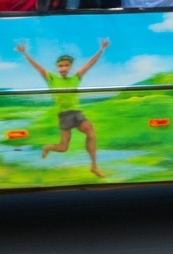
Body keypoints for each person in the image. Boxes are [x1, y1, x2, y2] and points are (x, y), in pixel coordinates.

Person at [18, 40, 110, 178]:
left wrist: (101, 49)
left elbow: (89, 64)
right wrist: (24, 53)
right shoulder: (52, 79)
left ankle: (94, 166)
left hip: (76, 113)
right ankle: (47, 147)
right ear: (57, 67)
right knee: (63, 147)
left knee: (91, 131)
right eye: (60, 66)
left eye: (66, 66)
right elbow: (38, 68)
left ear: (70, 67)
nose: (63, 69)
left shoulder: (76, 78)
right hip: (64, 115)